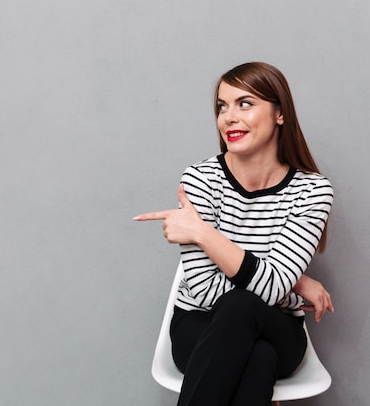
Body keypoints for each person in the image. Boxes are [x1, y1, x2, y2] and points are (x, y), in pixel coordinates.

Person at [133, 62, 334, 406]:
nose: (228, 116)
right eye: (221, 106)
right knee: (256, 358)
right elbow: (207, 290)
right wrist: (291, 281)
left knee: (242, 306)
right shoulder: (200, 179)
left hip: (278, 328)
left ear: (280, 113)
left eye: (245, 103)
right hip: (197, 324)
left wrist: (201, 232)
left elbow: (270, 289)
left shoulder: (312, 191)